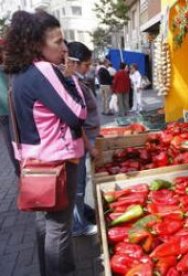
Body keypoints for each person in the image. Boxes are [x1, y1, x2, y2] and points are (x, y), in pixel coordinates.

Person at [4, 10, 86, 276]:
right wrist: (71, 78)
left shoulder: (19, 74)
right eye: (58, 42)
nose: (64, 48)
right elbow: (77, 114)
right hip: (57, 162)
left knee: (44, 225)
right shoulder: (45, 70)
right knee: (59, 229)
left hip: (34, 162)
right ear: (38, 44)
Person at [67, 41, 100, 236]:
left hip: (86, 138)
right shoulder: (73, 83)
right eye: (86, 64)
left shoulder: (78, 81)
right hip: (80, 142)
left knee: (80, 181)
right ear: (75, 63)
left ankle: (82, 213)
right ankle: (78, 226)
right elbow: (77, 123)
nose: (89, 68)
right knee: (78, 185)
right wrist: (90, 146)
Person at [0, 38, 20, 176]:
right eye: (4, 51)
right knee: (13, 146)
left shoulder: (14, 68)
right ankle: (20, 172)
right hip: (6, 114)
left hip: (15, 111)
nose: (7, 54)